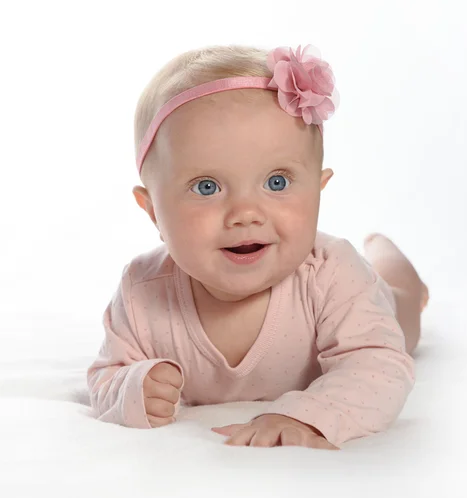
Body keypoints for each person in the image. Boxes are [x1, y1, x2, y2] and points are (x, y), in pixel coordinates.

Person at [87, 44, 429, 450]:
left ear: (319, 190)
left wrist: (307, 415)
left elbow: (378, 364)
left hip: (376, 305)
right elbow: (106, 374)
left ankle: (398, 271)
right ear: (153, 211)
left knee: (401, 305)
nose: (245, 214)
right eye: (207, 187)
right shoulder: (143, 293)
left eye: (277, 182)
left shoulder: (333, 274)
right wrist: (133, 388)